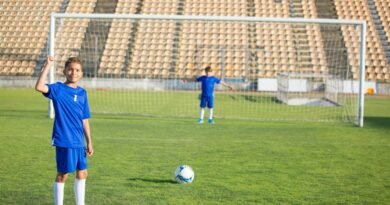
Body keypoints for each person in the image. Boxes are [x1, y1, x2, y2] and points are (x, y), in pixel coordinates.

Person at [35, 56, 93, 205]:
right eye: (71, 69)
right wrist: (47, 65)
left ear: (81, 73)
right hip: (65, 139)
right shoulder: (58, 89)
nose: (74, 72)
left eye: (77, 70)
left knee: (83, 173)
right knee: (63, 175)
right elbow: (39, 87)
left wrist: (89, 142)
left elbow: (84, 119)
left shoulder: (82, 93)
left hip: (79, 141)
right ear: (65, 71)